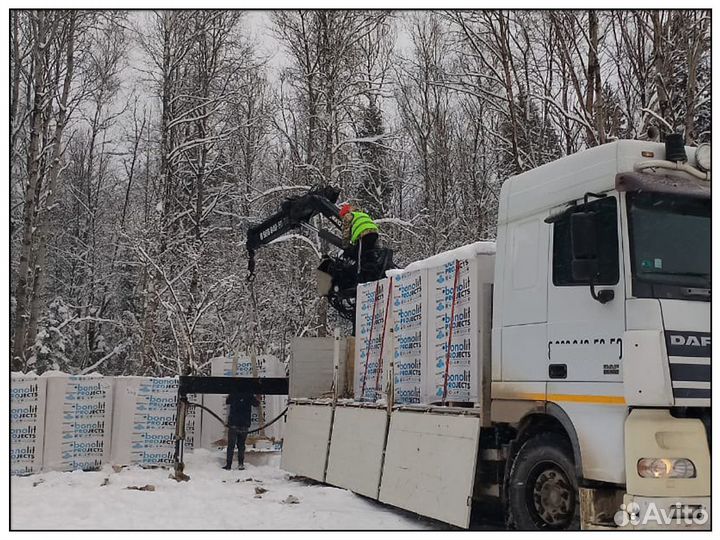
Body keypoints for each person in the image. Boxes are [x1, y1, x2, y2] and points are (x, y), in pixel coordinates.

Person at [223, 391, 260, 470]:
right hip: (244, 423)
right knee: (241, 445)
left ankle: (229, 465)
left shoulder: (233, 392)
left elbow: (227, 401)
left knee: (231, 445)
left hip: (233, 423)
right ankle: (241, 464)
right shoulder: (249, 394)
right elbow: (256, 404)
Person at [339, 203, 379, 274]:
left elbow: (346, 233)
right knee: (370, 253)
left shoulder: (347, 216)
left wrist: (346, 247)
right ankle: (376, 271)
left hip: (363, 234)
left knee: (360, 256)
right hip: (374, 232)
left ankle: (361, 275)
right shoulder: (361, 214)